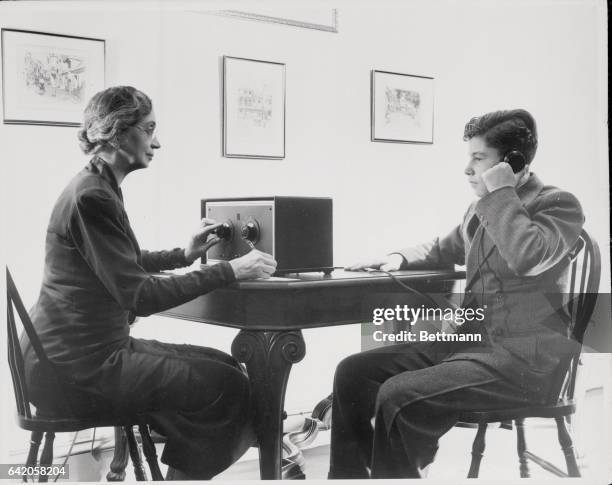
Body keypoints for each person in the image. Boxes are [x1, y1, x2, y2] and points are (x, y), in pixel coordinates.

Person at [20, 86, 277, 480]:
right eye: (149, 128)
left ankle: (187, 454)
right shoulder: (93, 196)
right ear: (119, 132)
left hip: (66, 357)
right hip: (76, 371)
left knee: (226, 364)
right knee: (227, 385)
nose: (156, 142)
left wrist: (183, 255)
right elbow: (138, 295)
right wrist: (231, 270)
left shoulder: (94, 186)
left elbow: (116, 264)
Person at [328, 109, 584, 478]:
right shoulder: (482, 209)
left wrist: (501, 193)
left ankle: (393, 474)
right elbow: (443, 248)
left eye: (478, 159)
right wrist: (396, 257)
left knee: (398, 393)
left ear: (512, 163)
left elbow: (528, 256)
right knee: (353, 372)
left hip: (525, 363)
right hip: (472, 345)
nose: (467, 169)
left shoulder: (557, 204)